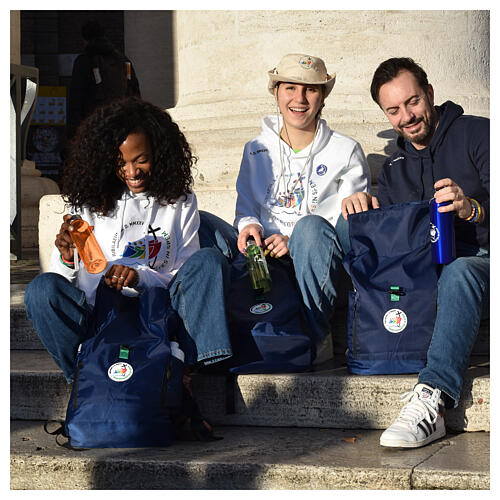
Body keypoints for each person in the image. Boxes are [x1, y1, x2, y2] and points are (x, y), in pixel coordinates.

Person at [24, 96, 232, 440]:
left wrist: (141, 276)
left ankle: (183, 379)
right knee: (41, 290)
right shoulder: (88, 203)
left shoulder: (180, 201)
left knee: (209, 261)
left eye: (142, 160)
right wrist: (65, 256)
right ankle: (85, 379)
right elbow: (69, 283)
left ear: (160, 155)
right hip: (102, 317)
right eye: (120, 163)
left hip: (159, 313)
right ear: (105, 161)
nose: (132, 172)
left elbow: (186, 271)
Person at [342, 57, 489, 448]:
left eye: (413, 102)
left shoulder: (478, 134)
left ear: (430, 95)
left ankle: (433, 399)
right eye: (394, 110)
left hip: (484, 260)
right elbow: (394, 245)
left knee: (460, 271)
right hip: (431, 276)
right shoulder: (395, 169)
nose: (407, 116)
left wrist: (471, 208)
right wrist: (368, 209)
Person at [200, 53, 370, 357]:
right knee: (199, 222)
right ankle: (211, 347)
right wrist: (249, 226)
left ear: (323, 97)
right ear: (276, 92)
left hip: (311, 257)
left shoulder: (346, 150)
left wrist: (292, 241)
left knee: (310, 229)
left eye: (311, 89)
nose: (299, 98)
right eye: (290, 88)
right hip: (261, 256)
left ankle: (316, 335)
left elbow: (347, 225)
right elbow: (247, 205)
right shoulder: (256, 148)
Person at [67, 19, 141, 139]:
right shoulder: (124, 61)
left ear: (85, 40)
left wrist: (72, 134)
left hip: (94, 125)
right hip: (122, 124)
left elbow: (76, 99)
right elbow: (135, 91)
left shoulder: (84, 61)